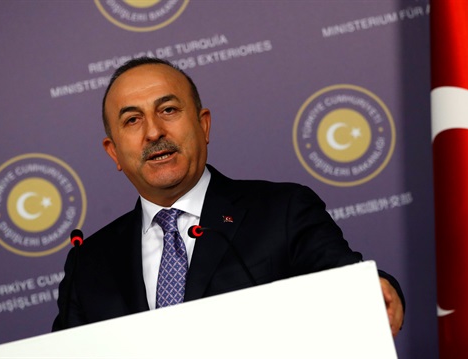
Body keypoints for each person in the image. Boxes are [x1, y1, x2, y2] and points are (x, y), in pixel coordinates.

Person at [52, 57, 405, 335]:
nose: (154, 131)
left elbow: (347, 284)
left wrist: (376, 290)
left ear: (203, 125)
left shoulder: (283, 212)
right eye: (132, 120)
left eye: (168, 110)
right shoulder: (89, 264)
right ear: (113, 152)